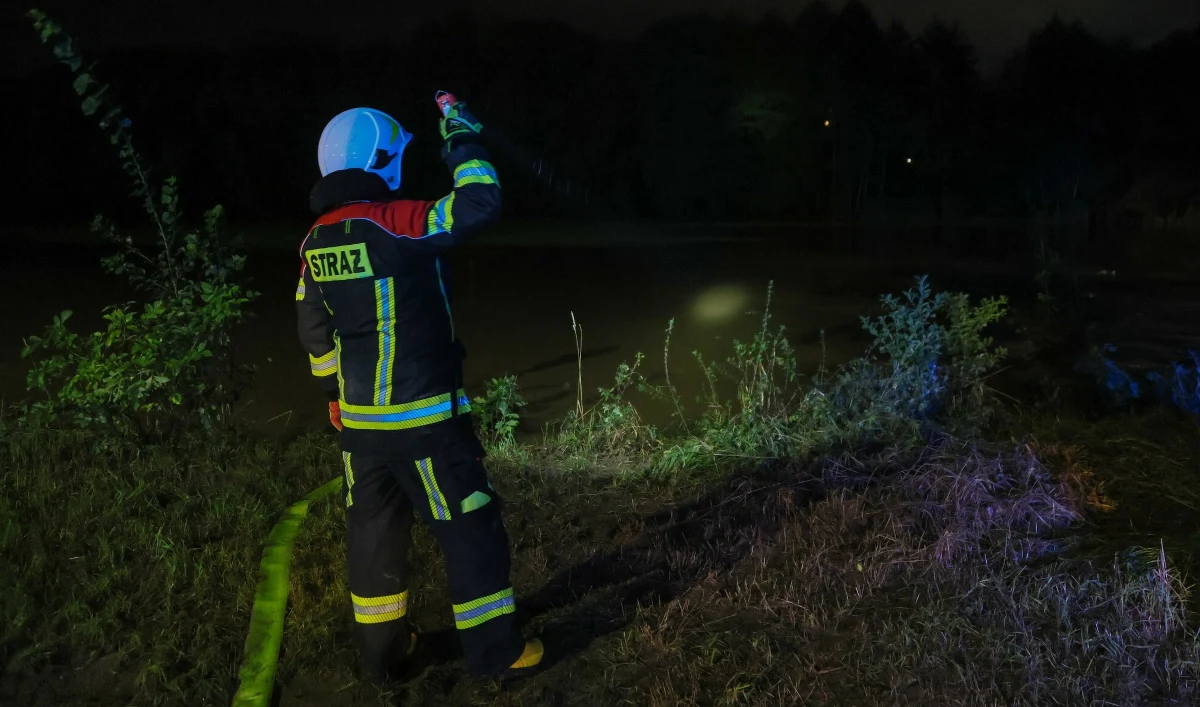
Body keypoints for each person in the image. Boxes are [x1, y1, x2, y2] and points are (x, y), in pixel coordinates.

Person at [295, 99, 542, 682]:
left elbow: (313, 331)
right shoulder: (395, 222)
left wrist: (335, 393)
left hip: (360, 431)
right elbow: (478, 204)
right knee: (469, 530)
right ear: (381, 160)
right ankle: (496, 657)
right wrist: (461, 136)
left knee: (372, 539)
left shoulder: (313, 241)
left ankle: (384, 659)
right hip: (426, 421)